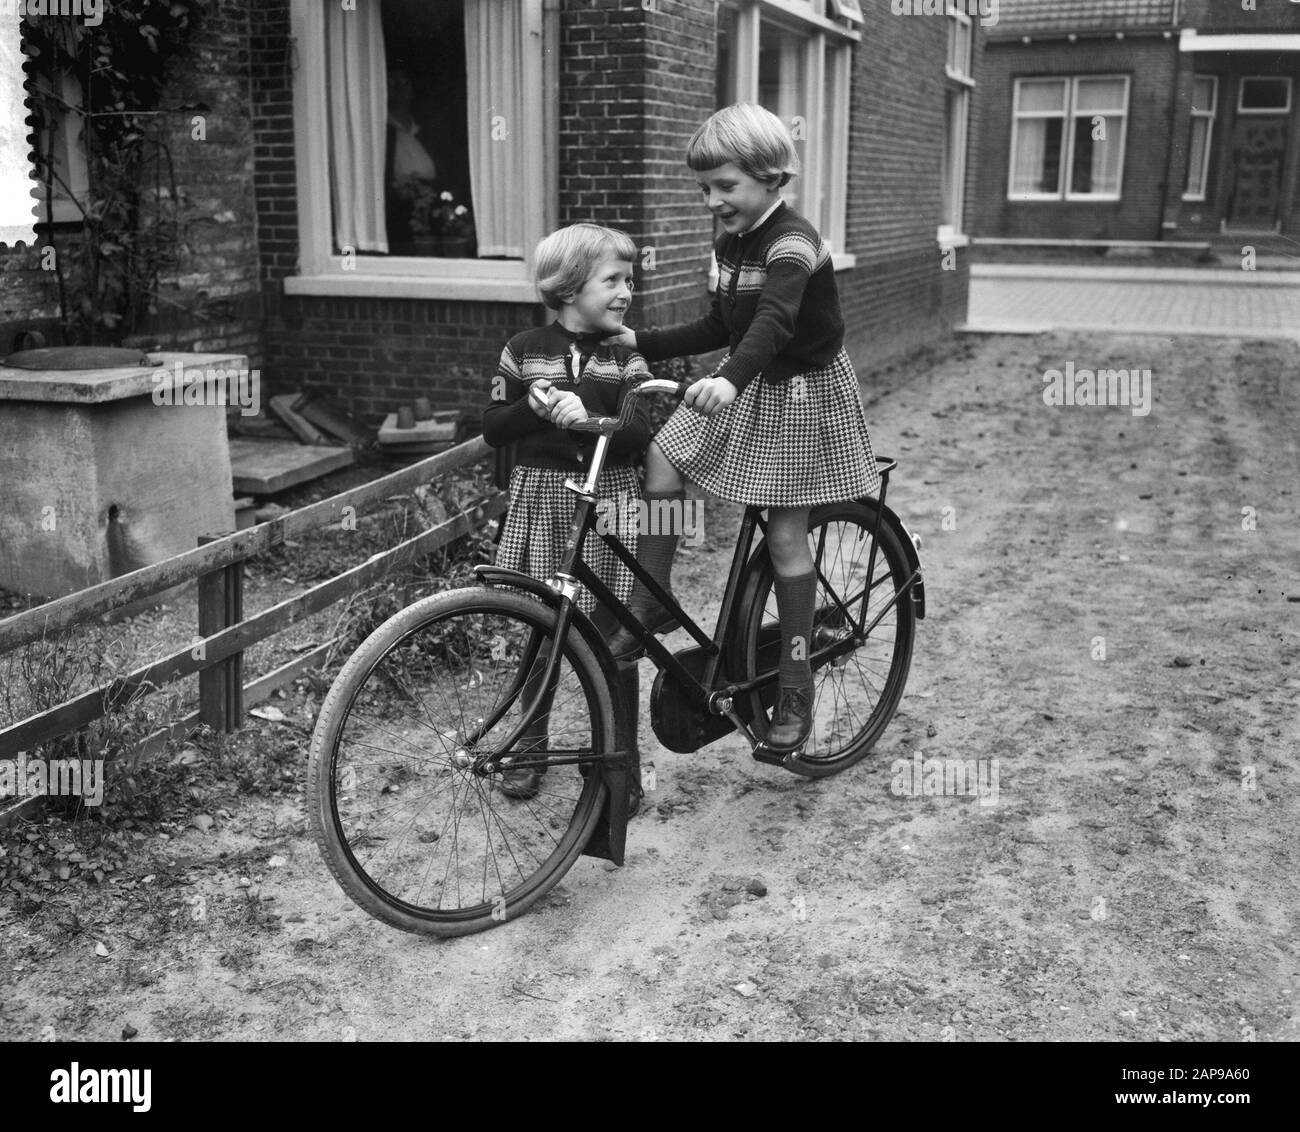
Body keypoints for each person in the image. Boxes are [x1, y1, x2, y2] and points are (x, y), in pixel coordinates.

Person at [602, 103, 881, 754]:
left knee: (786, 537)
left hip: (801, 395)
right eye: (704, 188)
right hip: (751, 381)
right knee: (663, 460)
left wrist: (727, 378)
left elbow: (775, 322)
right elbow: (723, 327)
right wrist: (638, 337)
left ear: (771, 176)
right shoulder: (728, 244)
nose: (712, 201)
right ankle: (654, 594)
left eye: (724, 186)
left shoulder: (793, 242)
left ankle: (794, 680)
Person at [482, 223, 651, 806]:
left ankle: (618, 765)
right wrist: (534, 408)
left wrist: (594, 420)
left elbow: (638, 431)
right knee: (540, 625)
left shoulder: (625, 354)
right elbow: (491, 427)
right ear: (570, 287)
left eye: (630, 279)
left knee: (610, 635)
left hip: (607, 502)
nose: (626, 290)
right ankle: (529, 745)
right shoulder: (523, 349)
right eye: (612, 280)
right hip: (542, 499)